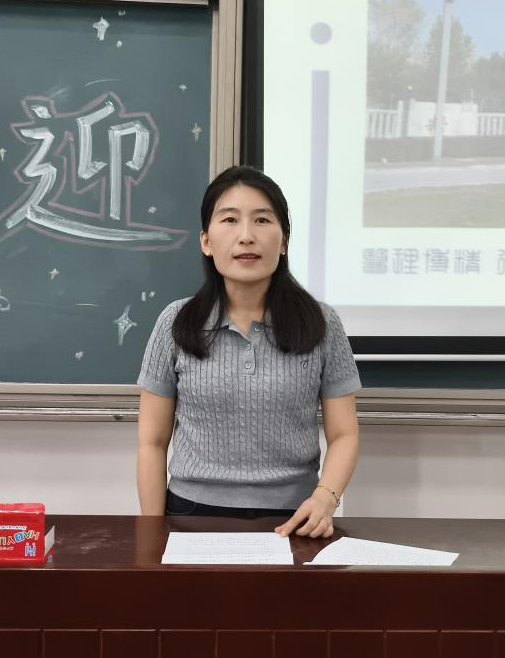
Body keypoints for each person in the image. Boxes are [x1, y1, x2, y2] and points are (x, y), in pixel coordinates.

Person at [136, 165, 361, 538]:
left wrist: (325, 499)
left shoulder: (321, 323)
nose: (246, 236)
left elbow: (344, 434)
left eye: (262, 220)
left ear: (283, 241)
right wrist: (152, 532)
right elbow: (152, 442)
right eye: (229, 220)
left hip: (296, 515)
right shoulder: (176, 322)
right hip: (191, 513)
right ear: (206, 241)